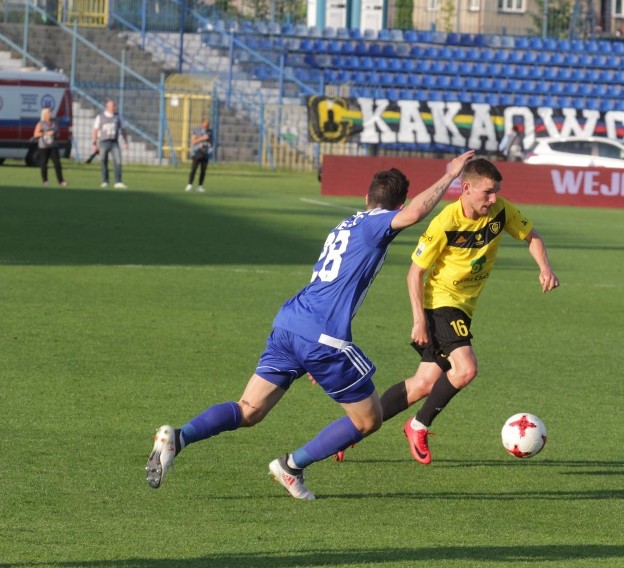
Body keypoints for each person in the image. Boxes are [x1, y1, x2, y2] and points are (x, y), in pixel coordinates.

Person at [146, 150, 476, 499]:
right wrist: (450, 175)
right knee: (369, 420)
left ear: (366, 198)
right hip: (322, 336)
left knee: (249, 410)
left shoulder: (345, 224)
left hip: (290, 323)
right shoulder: (376, 224)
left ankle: (179, 437)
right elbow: (415, 213)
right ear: (396, 205)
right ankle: (291, 466)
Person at [338, 157, 559, 465]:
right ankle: (418, 426)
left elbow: (531, 235)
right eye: (488, 192)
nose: (493, 198)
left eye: (496, 191)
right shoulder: (445, 222)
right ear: (466, 188)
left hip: (463, 309)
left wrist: (545, 268)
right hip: (440, 304)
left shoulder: (501, 211)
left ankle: (349, 432)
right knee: (466, 368)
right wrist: (419, 321)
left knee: (422, 385)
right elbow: (415, 272)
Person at [92, 100, 129, 189]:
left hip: (114, 142)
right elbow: (95, 130)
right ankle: (105, 181)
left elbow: (123, 129)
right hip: (103, 141)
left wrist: (125, 141)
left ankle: (118, 181)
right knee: (103, 161)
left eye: (114, 106)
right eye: (112, 106)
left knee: (118, 161)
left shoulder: (118, 116)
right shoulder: (100, 117)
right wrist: (94, 143)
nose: (114, 108)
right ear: (107, 107)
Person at [33, 107, 67, 187]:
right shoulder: (40, 124)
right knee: (44, 163)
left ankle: (61, 180)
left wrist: (55, 134)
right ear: (45, 114)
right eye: (49, 113)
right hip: (43, 146)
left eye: (51, 113)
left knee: (57, 163)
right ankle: (45, 180)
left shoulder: (54, 123)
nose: (50, 114)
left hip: (53, 145)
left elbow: (58, 133)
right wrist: (46, 133)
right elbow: (36, 134)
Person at [185, 119, 213, 193]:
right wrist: (202, 138)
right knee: (194, 169)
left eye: (208, 125)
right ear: (202, 123)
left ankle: (200, 186)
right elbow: (193, 141)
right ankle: (189, 184)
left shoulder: (210, 131)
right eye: (205, 125)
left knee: (203, 171)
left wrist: (209, 140)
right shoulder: (196, 130)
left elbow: (211, 141)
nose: (207, 126)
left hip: (206, 152)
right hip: (197, 152)